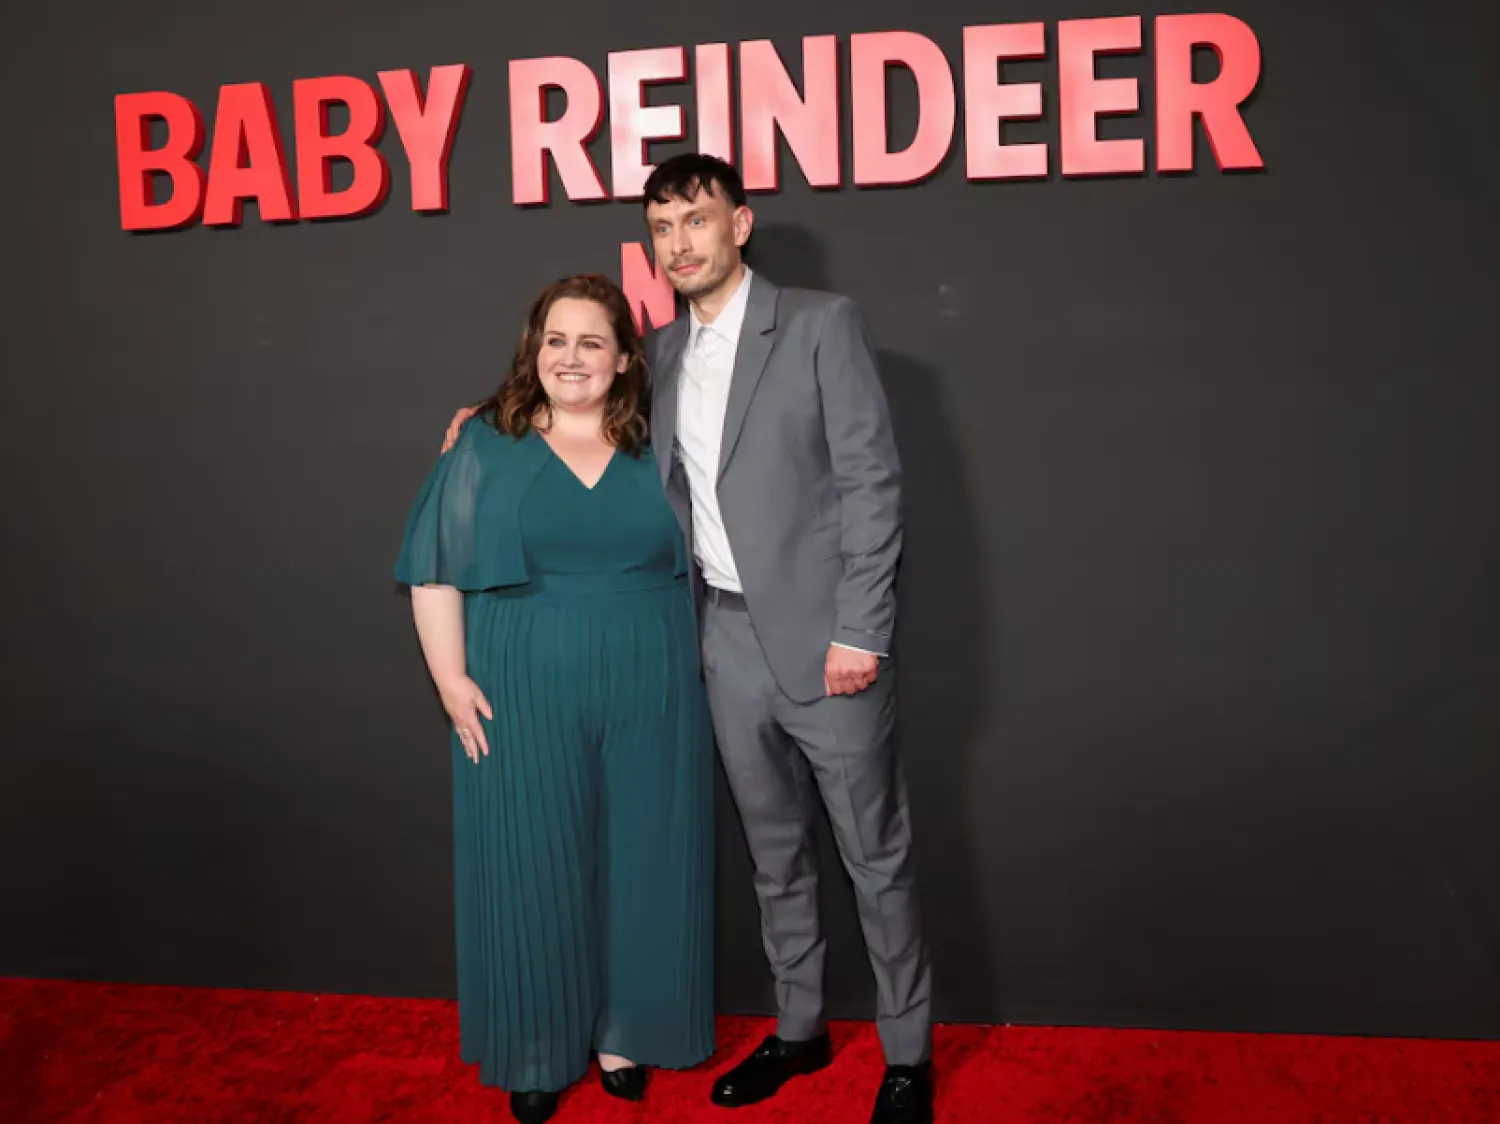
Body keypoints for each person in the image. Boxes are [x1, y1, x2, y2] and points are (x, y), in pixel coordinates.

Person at [444, 154, 934, 1124]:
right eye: (663, 228)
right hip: (718, 641)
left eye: (697, 220)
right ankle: (799, 1030)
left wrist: (860, 630)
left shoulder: (821, 325)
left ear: (739, 224)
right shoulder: (658, 353)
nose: (681, 242)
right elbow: (582, 419)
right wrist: (488, 423)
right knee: (775, 854)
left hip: (829, 646)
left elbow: (874, 484)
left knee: (875, 857)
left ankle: (909, 1052)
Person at [397, 274, 715, 1124]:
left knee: (644, 856)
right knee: (530, 858)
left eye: (590, 343)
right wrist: (450, 679)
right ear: (532, 353)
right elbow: (434, 567)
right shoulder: (483, 445)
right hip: (518, 681)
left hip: (653, 679)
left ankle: (627, 1031)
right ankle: (538, 1042)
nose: (570, 358)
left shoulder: (666, 445)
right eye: (555, 342)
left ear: (622, 359)